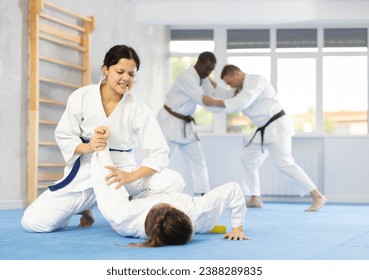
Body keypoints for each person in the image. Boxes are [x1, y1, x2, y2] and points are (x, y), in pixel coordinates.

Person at [21, 45, 185, 233]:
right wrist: (90, 146)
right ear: (106, 70)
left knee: (174, 181)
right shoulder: (82, 96)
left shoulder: (138, 109)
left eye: (131, 74)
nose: (126, 78)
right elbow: (65, 135)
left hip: (121, 174)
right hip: (87, 173)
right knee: (33, 222)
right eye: (120, 71)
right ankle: (82, 207)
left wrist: (129, 176)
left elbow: (160, 152)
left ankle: (130, 208)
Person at [202, 64, 327, 212]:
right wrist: (209, 79)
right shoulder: (238, 90)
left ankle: (317, 196)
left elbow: (242, 102)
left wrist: (213, 102)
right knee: (247, 159)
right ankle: (255, 197)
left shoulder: (256, 81)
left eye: (230, 82)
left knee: (284, 163)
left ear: (237, 73)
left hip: (277, 126)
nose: (230, 86)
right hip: (264, 130)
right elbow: (224, 94)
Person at [90, 144, 249, 247]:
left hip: (130, 203)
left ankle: (132, 194)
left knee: (110, 187)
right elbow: (233, 189)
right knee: (175, 181)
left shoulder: (124, 218)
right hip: (154, 190)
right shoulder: (201, 214)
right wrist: (237, 228)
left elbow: (105, 177)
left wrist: (101, 146)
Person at [157, 52, 220, 196]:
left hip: (186, 124)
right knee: (160, 159)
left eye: (212, 69)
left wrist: (215, 84)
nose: (209, 72)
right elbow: (204, 99)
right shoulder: (187, 77)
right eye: (207, 68)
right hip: (168, 121)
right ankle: (144, 193)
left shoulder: (202, 78)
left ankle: (204, 194)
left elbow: (213, 94)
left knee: (198, 159)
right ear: (199, 63)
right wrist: (227, 105)